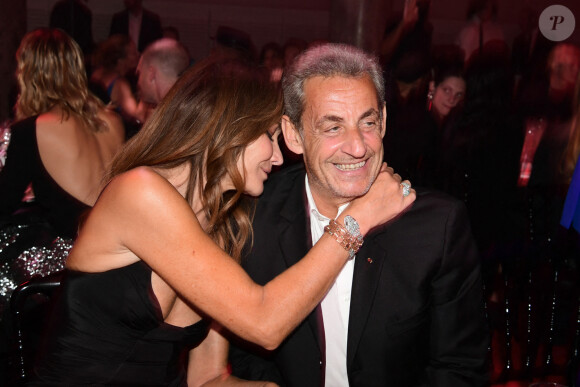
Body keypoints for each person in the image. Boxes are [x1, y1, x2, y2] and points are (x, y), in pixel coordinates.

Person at [28, 55, 414, 386]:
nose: (279, 158)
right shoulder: (139, 193)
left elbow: (207, 377)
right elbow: (263, 322)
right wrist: (357, 219)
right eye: (269, 136)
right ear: (228, 128)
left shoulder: (221, 226)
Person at [229, 43, 489, 387]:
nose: (358, 146)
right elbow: (246, 354)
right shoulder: (254, 217)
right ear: (293, 135)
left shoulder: (436, 226)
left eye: (367, 122)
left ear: (383, 120)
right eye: (333, 127)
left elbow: (459, 369)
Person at [0, 28, 125, 313]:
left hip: (73, 261)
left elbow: (4, 202)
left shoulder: (31, 129)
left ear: (28, 73)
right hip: (116, 253)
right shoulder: (113, 119)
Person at [135, 37, 190, 123]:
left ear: (151, 73)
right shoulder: (185, 105)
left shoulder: (173, 118)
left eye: (139, 73)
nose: (138, 82)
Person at [90, 34, 140, 125]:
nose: (138, 55)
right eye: (133, 53)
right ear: (120, 59)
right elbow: (136, 116)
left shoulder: (96, 73)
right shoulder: (120, 84)